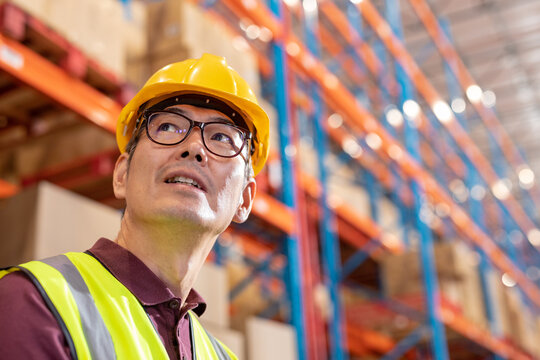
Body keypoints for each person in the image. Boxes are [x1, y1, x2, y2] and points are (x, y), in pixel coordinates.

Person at [0, 53, 270, 359]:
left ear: (244, 200)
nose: (194, 148)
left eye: (222, 137)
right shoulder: (34, 304)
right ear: (122, 174)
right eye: (168, 127)